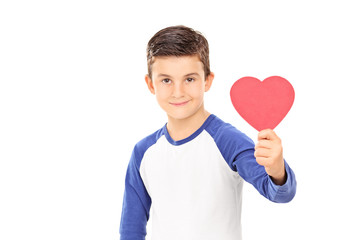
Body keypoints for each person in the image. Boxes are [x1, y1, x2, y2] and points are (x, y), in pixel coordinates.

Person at [119, 25, 296, 240]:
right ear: (150, 84)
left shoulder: (228, 141)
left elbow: (278, 193)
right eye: (166, 80)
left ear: (207, 80)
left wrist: (277, 170)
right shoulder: (143, 152)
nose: (178, 92)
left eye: (190, 79)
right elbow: (131, 229)